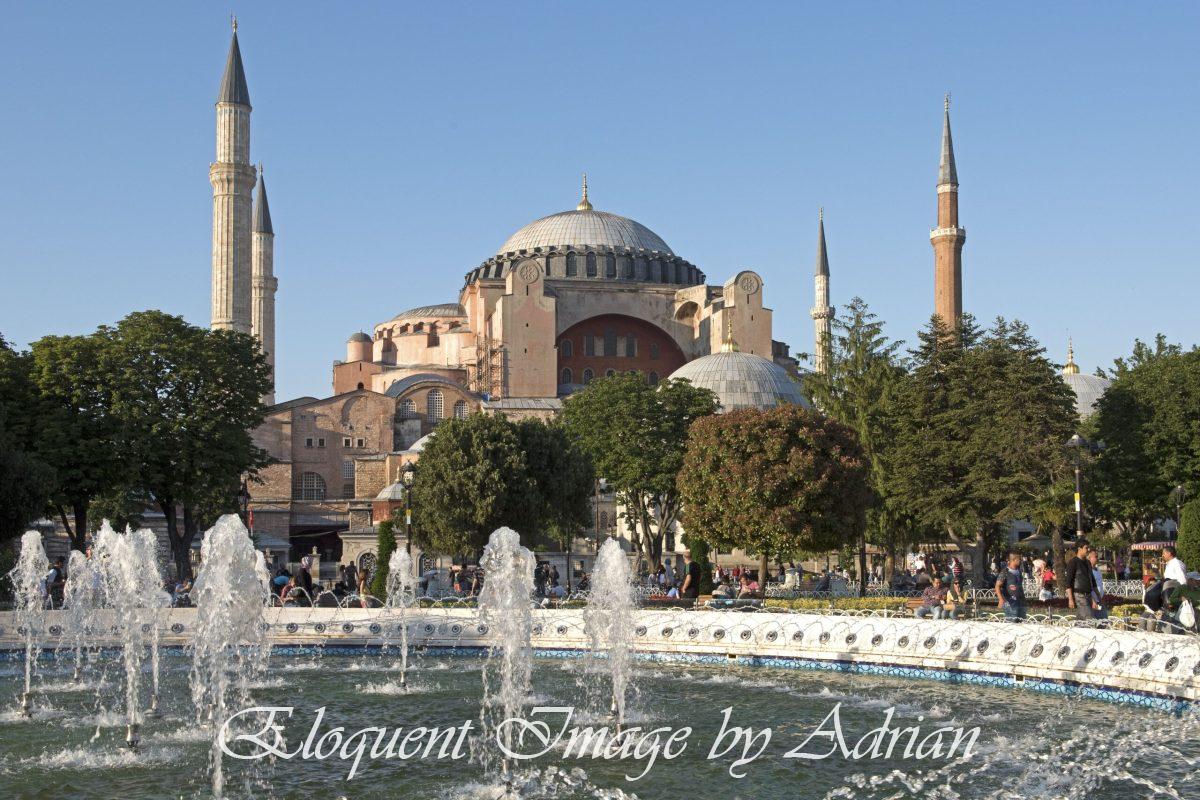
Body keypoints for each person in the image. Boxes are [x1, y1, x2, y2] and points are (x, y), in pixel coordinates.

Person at [1065, 540, 1098, 620]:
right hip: (1079, 595)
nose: (1088, 550)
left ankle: (1073, 631)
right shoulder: (1073, 562)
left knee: (1081, 621)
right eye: (1086, 548)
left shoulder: (1088, 563)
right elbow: (1068, 583)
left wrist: (1097, 597)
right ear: (1080, 549)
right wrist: (1071, 599)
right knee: (1090, 619)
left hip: (1088, 595)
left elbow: (1092, 581)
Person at [996, 551, 1027, 620]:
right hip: (1010, 603)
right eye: (1019, 559)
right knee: (1011, 624)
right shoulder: (1005, 572)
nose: (1021, 561)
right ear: (1013, 560)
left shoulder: (1019, 571)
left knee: (1023, 624)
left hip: (1021, 602)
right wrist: (1001, 599)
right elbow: (997, 586)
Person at [1088, 548, 1108, 619]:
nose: (1097, 558)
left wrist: (1102, 597)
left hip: (1100, 600)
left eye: (1097, 556)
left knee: (1104, 620)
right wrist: (1093, 601)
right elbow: (1088, 587)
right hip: (1093, 602)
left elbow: (1100, 585)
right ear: (1089, 558)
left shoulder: (1098, 570)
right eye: (1095, 556)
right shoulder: (1088, 571)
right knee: (1095, 621)